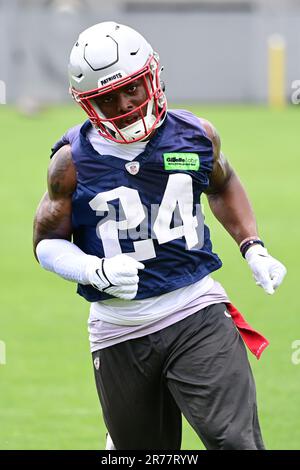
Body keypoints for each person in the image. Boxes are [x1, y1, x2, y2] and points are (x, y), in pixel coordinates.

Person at [33, 21, 286, 450]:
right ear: (87, 104)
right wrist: (94, 269)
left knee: (236, 444)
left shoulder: (196, 136)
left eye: (131, 88)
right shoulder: (71, 161)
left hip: (196, 311)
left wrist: (252, 247)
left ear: (152, 75)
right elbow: (45, 243)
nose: (125, 104)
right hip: (120, 329)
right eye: (107, 98)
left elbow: (221, 183)